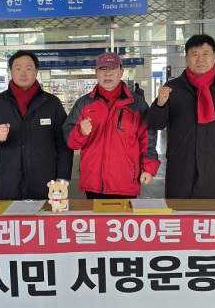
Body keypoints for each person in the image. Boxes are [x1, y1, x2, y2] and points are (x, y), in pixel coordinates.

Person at [146, 34, 215, 199]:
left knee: (214, 213)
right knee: (178, 213)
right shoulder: (172, 88)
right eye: (195, 54)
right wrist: (160, 104)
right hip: (181, 168)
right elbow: (154, 124)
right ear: (187, 58)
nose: (200, 59)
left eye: (205, 53)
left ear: (213, 56)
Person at [0, 50, 73, 200]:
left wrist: (63, 177)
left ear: (36, 72)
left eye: (28, 68)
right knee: (10, 215)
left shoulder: (51, 103)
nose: (23, 73)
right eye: (18, 68)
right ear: (11, 71)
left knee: (46, 214)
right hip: (9, 179)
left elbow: (64, 142)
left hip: (46, 180)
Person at [63, 52, 160, 199]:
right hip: (94, 181)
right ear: (96, 72)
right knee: (96, 215)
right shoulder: (83, 104)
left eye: (112, 69)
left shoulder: (137, 105)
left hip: (126, 180)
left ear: (121, 71)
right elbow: (70, 140)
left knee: (125, 215)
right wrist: (80, 132)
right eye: (103, 69)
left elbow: (148, 139)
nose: (107, 73)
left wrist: (148, 168)